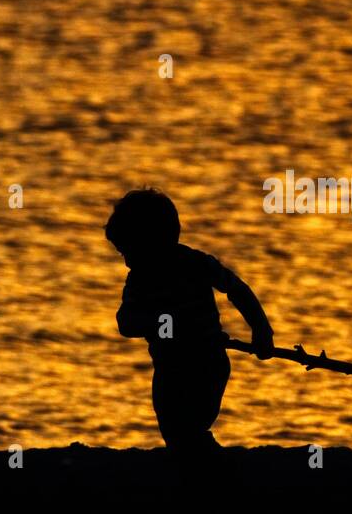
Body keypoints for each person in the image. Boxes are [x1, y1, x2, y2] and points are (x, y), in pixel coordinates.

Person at [105, 188, 273, 458]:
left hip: (207, 363)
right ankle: (203, 466)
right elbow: (126, 322)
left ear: (152, 241)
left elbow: (236, 290)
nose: (127, 262)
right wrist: (164, 324)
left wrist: (261, 330)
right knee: (178, 433)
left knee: (188, 428)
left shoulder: (196, 264)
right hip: (170, 368)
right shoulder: (140, 279)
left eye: (129, 252)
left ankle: (205, 467)